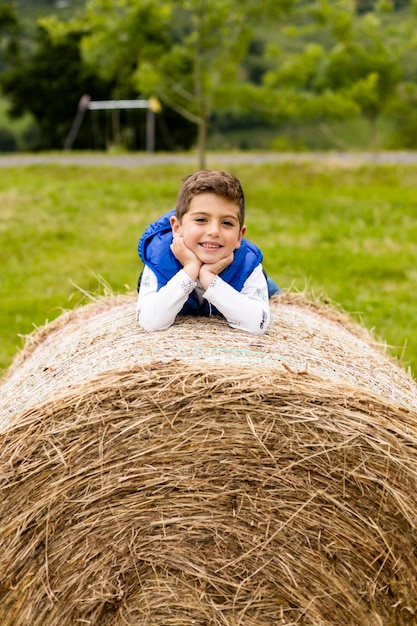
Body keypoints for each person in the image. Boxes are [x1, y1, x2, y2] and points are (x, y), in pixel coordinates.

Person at [136, 169, 279, 335]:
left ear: (240, 235)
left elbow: (257, 325)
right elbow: (150, 322)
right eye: (201, 220)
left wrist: (209, 278)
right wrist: (190, 269)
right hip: (171, 272)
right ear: (177, 228)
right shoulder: (158, 259)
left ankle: (271, 286)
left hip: (237, 274)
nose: (214, 231)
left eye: (227, 222)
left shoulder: (248, 264)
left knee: (269, 288)